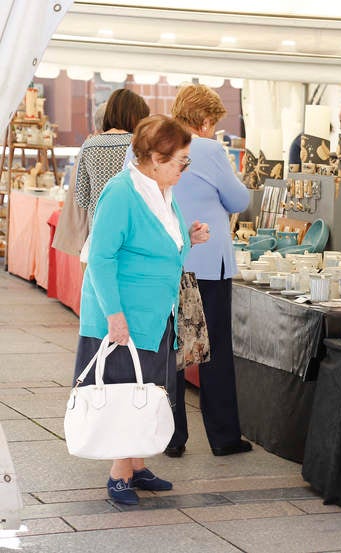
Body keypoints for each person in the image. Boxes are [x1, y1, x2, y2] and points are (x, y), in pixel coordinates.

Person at [74, 114, 210, 505]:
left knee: (145, 388)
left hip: (153, 313)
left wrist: (189, 238)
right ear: (154, 157)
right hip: (123, 315)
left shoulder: (159, 190)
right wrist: (115, 316)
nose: (184, 167)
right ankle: (119, 475)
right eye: (180, 160)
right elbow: (101, 257)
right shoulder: (121, 193)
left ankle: (134, 465)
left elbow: (157, 242)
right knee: (122, 390)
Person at [168, 84, 252, 458]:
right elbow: (238, 199)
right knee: (214, 348)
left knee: (168, 346)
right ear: (204, 120)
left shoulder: (152, 141)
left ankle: (170, 436)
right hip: (206, 263)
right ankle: (223, 437)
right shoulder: (209, 148)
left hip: (165, 260)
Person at [75, 89, 150, 230]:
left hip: (100, 229)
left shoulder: (89, 145)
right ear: (136, 117)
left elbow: (82, 198)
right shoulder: (140, 145)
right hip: (134, 229)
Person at [52, 102, 106, 258]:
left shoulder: (89, 144)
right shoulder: (94, 146)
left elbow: (80, 194)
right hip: (92, 227)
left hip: (87, 228)